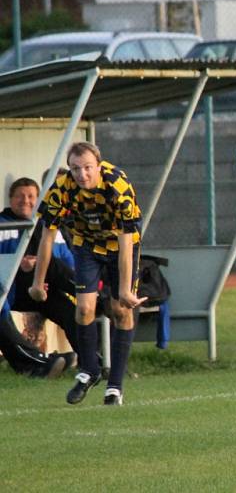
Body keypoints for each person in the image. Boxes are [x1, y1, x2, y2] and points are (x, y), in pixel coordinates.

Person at [32, 142, 143, 406]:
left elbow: (128, 243)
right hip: (87, 246)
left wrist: (126, 290)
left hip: (120, 246)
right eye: (75, 169)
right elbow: (47, 238)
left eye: (88, 168)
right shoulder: (61, 188)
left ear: (99, 165)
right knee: (83, 309)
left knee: (121, 310)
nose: (82, 175)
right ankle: (89, 370)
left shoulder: (118, 186)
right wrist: (38, 282)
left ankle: (115, 386)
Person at [0, 177, 78, 353]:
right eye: (20, 196)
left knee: (71, 312)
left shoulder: (48, 227)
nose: (25, 201)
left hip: (44, 291)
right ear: (10, 199)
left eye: (31, 196)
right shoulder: (3, 225)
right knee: (47, 263)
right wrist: (18, 264)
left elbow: (68, 263)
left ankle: (92, 361)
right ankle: (92, 293)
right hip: (13, 292)